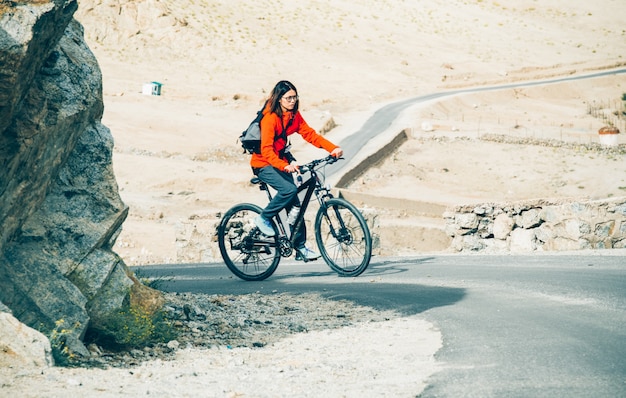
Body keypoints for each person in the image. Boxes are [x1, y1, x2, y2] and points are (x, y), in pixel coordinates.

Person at [250, 80, 343, 261]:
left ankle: (299, 246)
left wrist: (332, 148)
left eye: (294, 97)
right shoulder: (270, 118)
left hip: (280, 162)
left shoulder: (293, 115)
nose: (292, 101)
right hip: (262, 164)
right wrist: (284, 166)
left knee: (296, 204)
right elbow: (267, 150)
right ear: (279, 99)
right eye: (288, 98)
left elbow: (310, 134)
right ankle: (264, 218)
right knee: (289, 190)